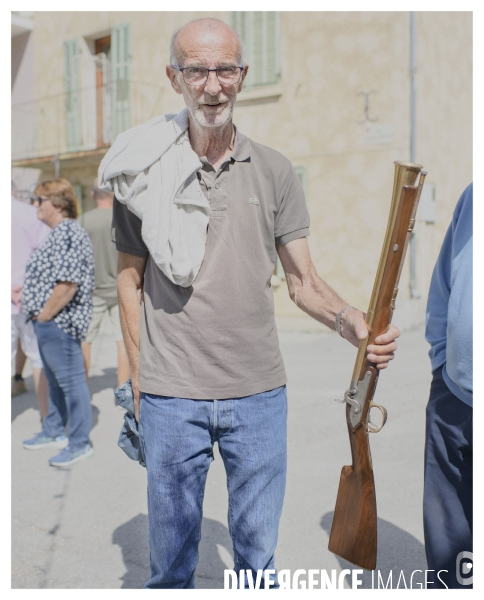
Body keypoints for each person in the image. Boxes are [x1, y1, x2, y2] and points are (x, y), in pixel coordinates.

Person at [101, 18, 400, 589]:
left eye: (225, 70)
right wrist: (140, 376)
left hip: (259, 398)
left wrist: (351, 322)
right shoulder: (144, 177)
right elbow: (129, 283)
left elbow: (303, 280)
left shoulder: (276, 170)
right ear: (174, 78)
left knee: (258, 563)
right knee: (169, 568)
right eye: (196, 70)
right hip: (171, 397)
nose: (212, 85)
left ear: (242, 74)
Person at [22, 179, 95, 468]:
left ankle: (79, 443)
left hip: (58, 323)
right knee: (55, 381)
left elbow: (67, 284)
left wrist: (44, 315)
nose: (35, 206)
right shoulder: (59, 233)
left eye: (40, 200)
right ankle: (53, 431)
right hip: (51, 322)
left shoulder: (68, 232)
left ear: (59, 204)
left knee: (71, 383)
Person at [423, 183, 473, 589]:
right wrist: (441, 362)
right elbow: (443, 284)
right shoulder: (473, 196)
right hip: (453, 393)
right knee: (449, 546)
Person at [80, 179, 130, 388]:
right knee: (123, 342)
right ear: (113, 194)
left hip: (92, 292)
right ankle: (122, 390)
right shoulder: (123, 219)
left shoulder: (82, 221)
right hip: (119, 289)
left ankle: (82, 390)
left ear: (92, 196)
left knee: (85, 340)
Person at [11, 182, 50, 415]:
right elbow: (46, 256)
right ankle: (46, 419)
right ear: (14, 191)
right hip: (30, 299)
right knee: (38, 359)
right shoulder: (31, 214)